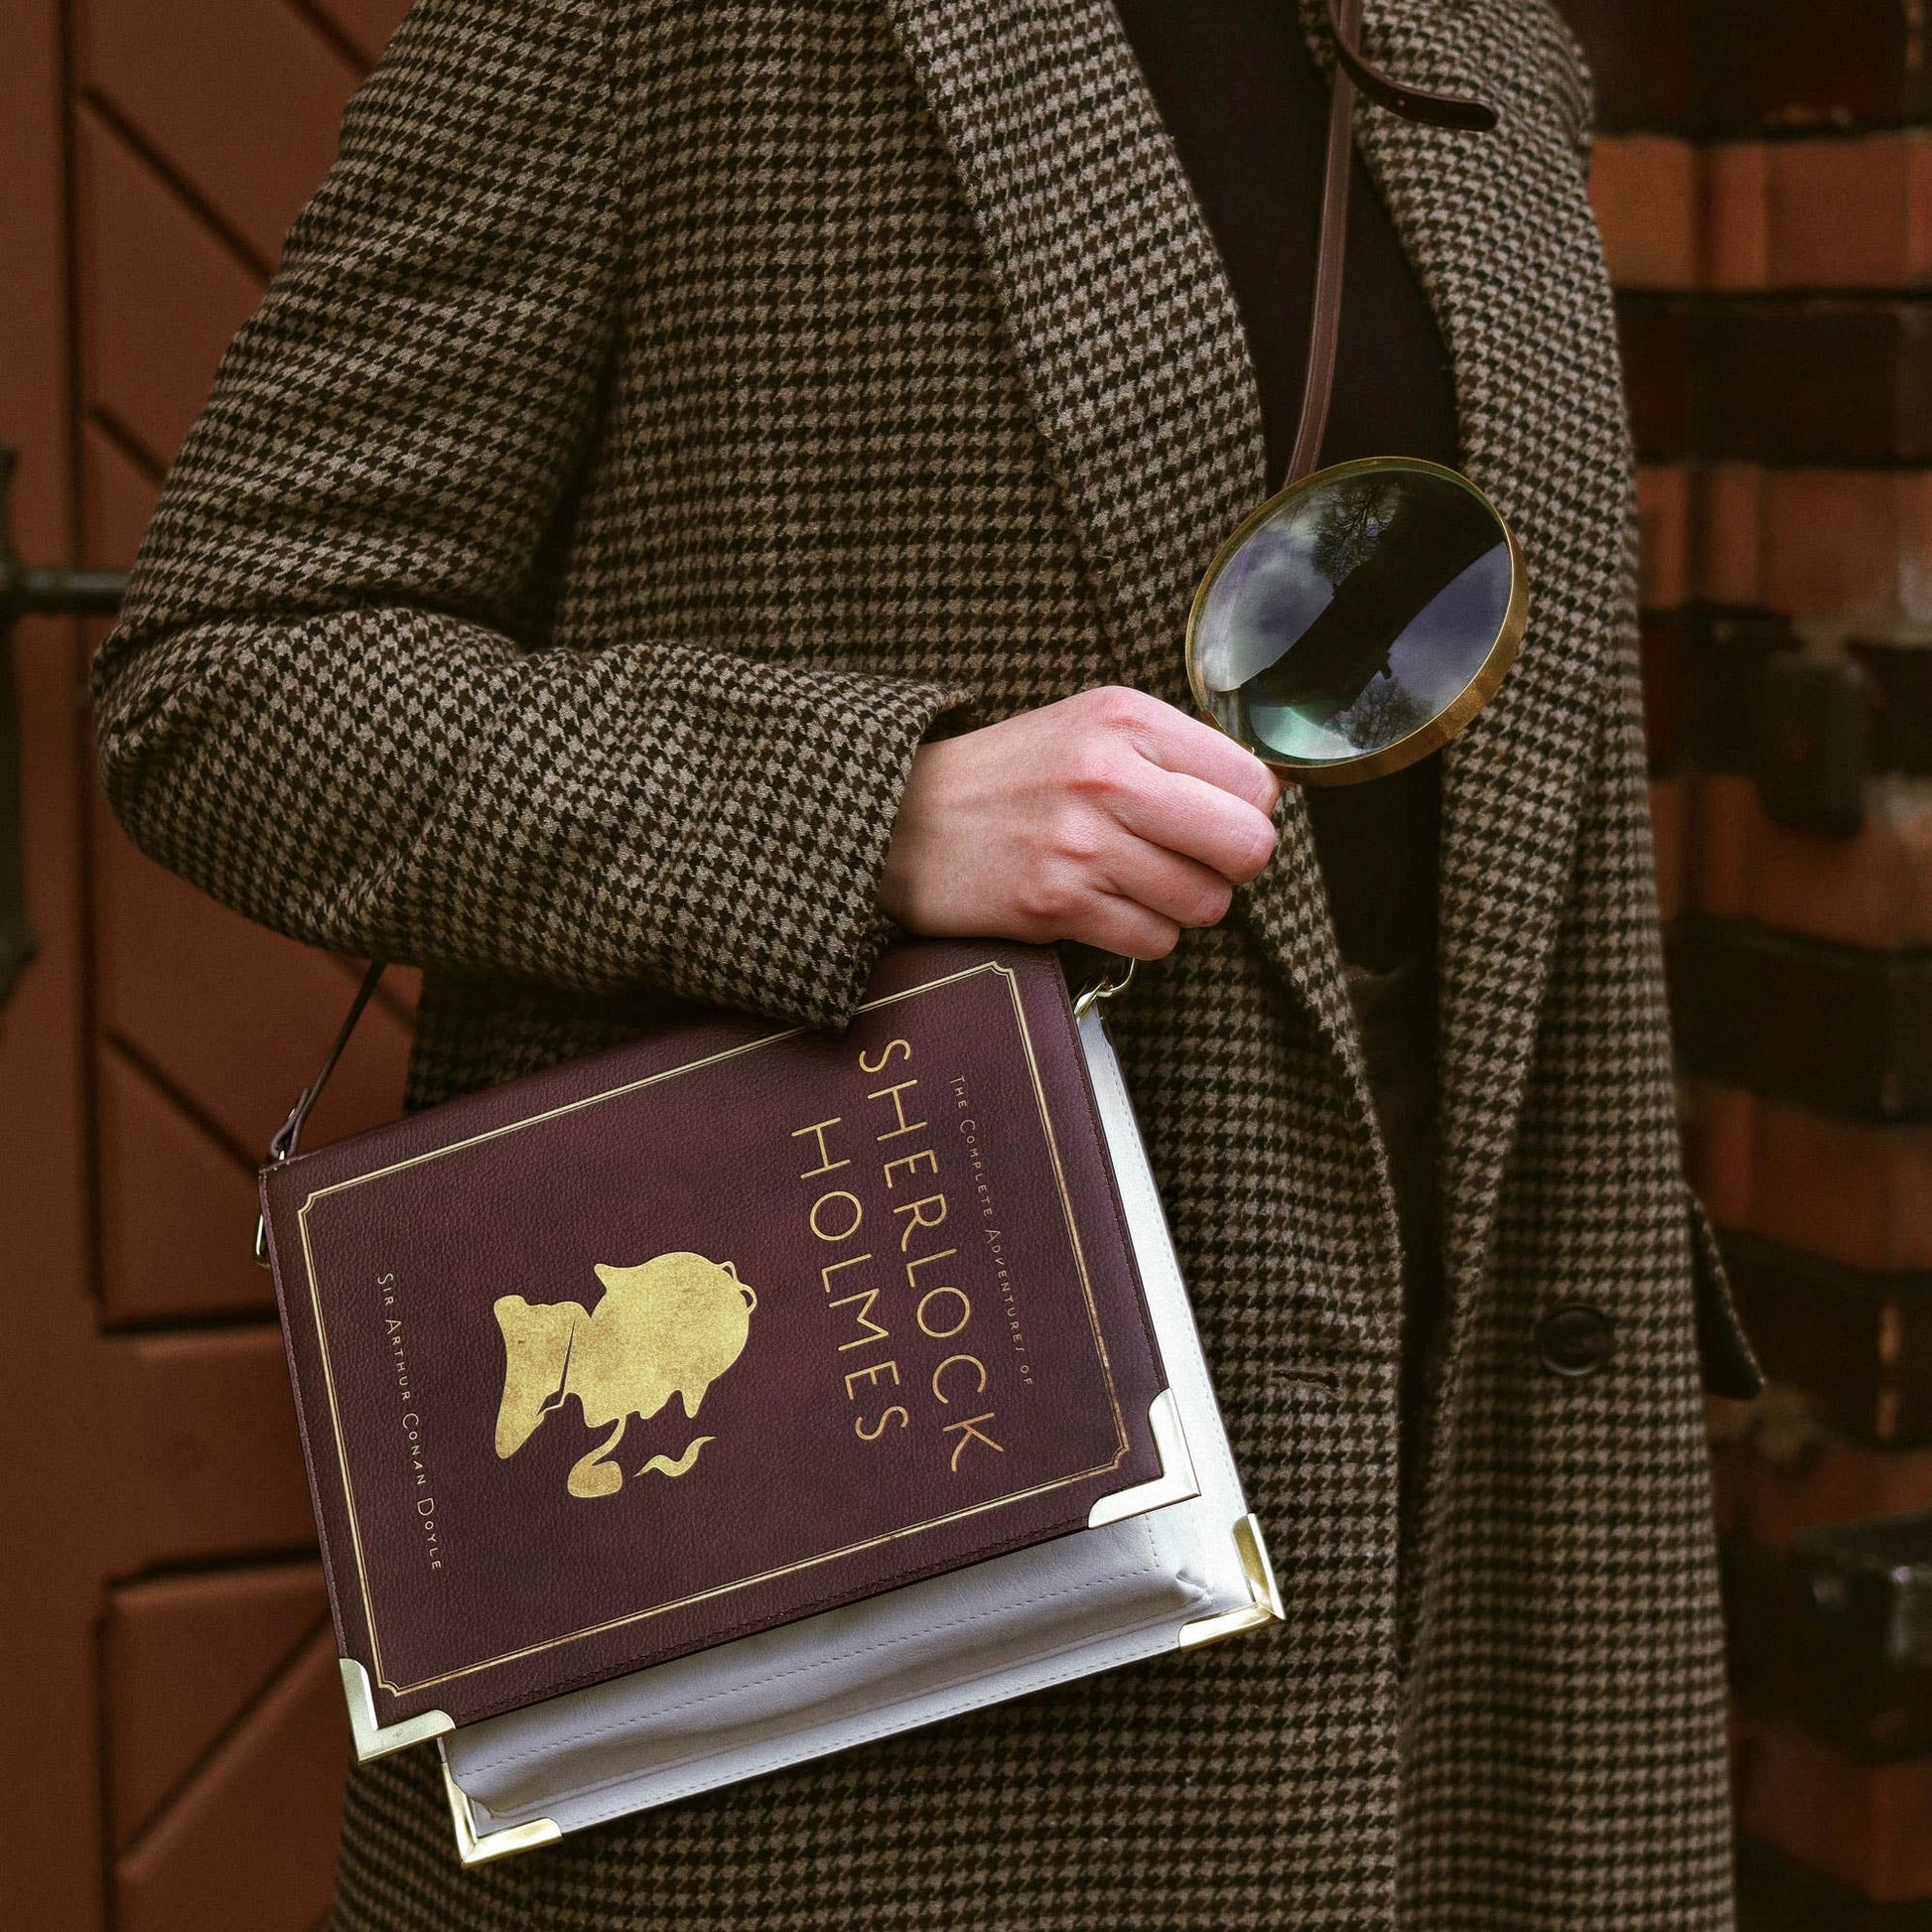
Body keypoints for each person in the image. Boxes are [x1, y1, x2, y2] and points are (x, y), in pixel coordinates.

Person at [91, 0, 1760, 1925]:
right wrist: (866, 807)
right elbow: (227, 673)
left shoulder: (1480, 35)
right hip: (891, 1601)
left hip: (1470, 1570)